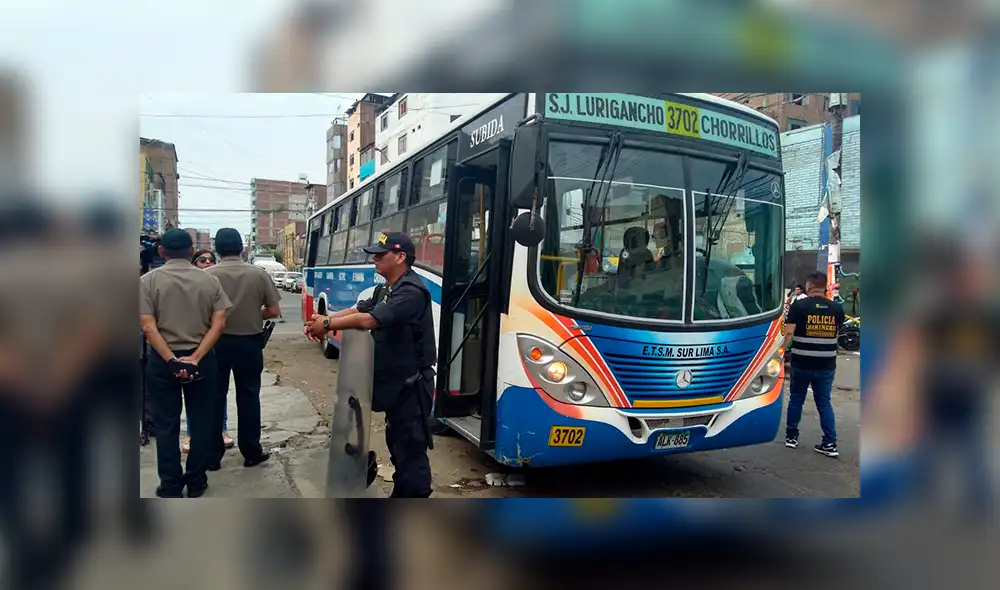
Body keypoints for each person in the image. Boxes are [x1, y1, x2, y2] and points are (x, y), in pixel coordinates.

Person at [306, 231, 435, 498]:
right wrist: (325, 319)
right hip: (396, 382)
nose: (374, 259)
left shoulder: (412, 292)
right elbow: (358, 310)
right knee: (397, 441)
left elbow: (370, 320)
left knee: (410, 447)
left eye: (380, 255)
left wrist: (327, 325)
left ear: (400, 257)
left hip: (412, 386)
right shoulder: (386, 288)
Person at [139, 228, 232, 497]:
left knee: (166, 423)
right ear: (192, 252)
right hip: (201, 359)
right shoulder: (210, 282)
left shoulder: (147, 282)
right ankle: (196, 481)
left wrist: (170, 360)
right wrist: (195, 358)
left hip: (161, 360)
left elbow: (148, 326)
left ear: (161, 251)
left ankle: (170, 484)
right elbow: (220, 323)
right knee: (202, 420)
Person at [206, 228, 281, 469]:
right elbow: (273, 311)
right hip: (249, 343)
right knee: (249, 397)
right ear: (242, 248)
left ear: (217, 249)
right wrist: (252, 314)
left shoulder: (207, 276)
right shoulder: (258, 275)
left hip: (215, 343)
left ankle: (213, 455)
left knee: (214, 398)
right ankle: (251, 452)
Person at [783, 271, 845, 457]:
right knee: (824, 403)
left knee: (796, 399)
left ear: (808, 287)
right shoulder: (836, 308)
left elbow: (788, 334)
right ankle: (830, 443)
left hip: (802, 363)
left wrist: (780, 354)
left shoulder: (799, 306)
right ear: (824, 287)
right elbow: (837, 334)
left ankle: (792, 437)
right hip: (826, 365)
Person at [181, 249, 234, 453]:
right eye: (202, 260)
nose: (207, 263)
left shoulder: (214, 284)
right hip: (191, 345)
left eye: (211, 260)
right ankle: (191, 434)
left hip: (216, 345)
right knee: (192, 394)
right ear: (194, 263)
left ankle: (222, 430)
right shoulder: (186, 285)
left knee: (218, 392)